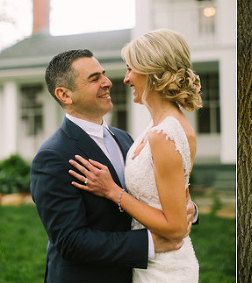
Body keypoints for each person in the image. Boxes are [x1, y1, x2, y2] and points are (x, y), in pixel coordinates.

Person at [31, 49, 193, 283]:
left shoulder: (124, 138)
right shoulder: (52, 156)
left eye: (104, 75)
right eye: (94, 78)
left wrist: (187, 209)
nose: (107, 82)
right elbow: (70, 241)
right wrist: (149, 243)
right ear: (65, 95)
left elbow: (148, 192)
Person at [68, 28, 203, 282]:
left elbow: (175, 228)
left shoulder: (164, 134)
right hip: (145, 261)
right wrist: (190, 208)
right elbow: (170, 195)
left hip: (165, 269)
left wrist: (112, 191)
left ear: (151, 71)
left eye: (131, 69)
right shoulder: (156, 128)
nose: (126, 78)